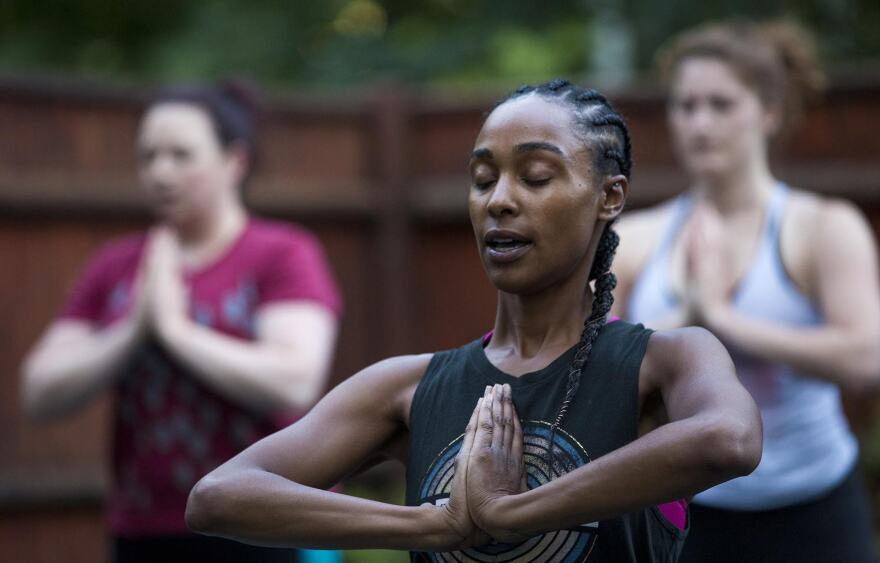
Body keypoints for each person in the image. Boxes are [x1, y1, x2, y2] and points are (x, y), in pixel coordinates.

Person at [184, 79, 762, 563]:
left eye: (536, 177)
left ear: (609, 196)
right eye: (484, 180)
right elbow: (218, 497)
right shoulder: (409, 388)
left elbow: (729, 440)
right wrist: (434, 526)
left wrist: (509, 512)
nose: (499, 201)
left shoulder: (663, 363)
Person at [20, 82, 343, 563]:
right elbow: (39, 391)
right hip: (147, 531)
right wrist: (133, 329)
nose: (160, 171)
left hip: (270, 520)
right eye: (148, 156)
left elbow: (293, 380)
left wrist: (175, 331)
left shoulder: (281, 254)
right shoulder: (117, 266)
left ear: (235, 162)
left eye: (180, 155)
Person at [613, 21, 880, 563]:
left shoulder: (822, 228)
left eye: (720, 104)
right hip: (684, 510)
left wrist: (725, 319)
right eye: (685, 106)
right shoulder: (634, 240)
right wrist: (684, 328)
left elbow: (866, 360)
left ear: (769, 112)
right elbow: (599, 376)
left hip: (815, 509)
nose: (699, 123)